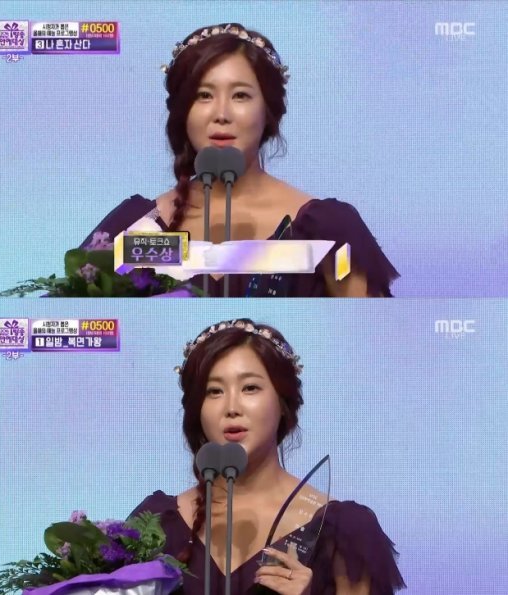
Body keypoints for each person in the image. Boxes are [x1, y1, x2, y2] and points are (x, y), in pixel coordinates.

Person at [81, 23, 400, 297]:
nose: (221, 114)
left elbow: (365, 332)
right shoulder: (136, 224)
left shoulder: (328, 229)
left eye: (240, 96)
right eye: (203, 95)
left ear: (268, 110)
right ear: (183, 111)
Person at [129, 318, 406, 594]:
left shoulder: (342, 531)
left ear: (283, 402)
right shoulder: (157, 521)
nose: (231, 407)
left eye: (250, 388)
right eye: (214, 391)